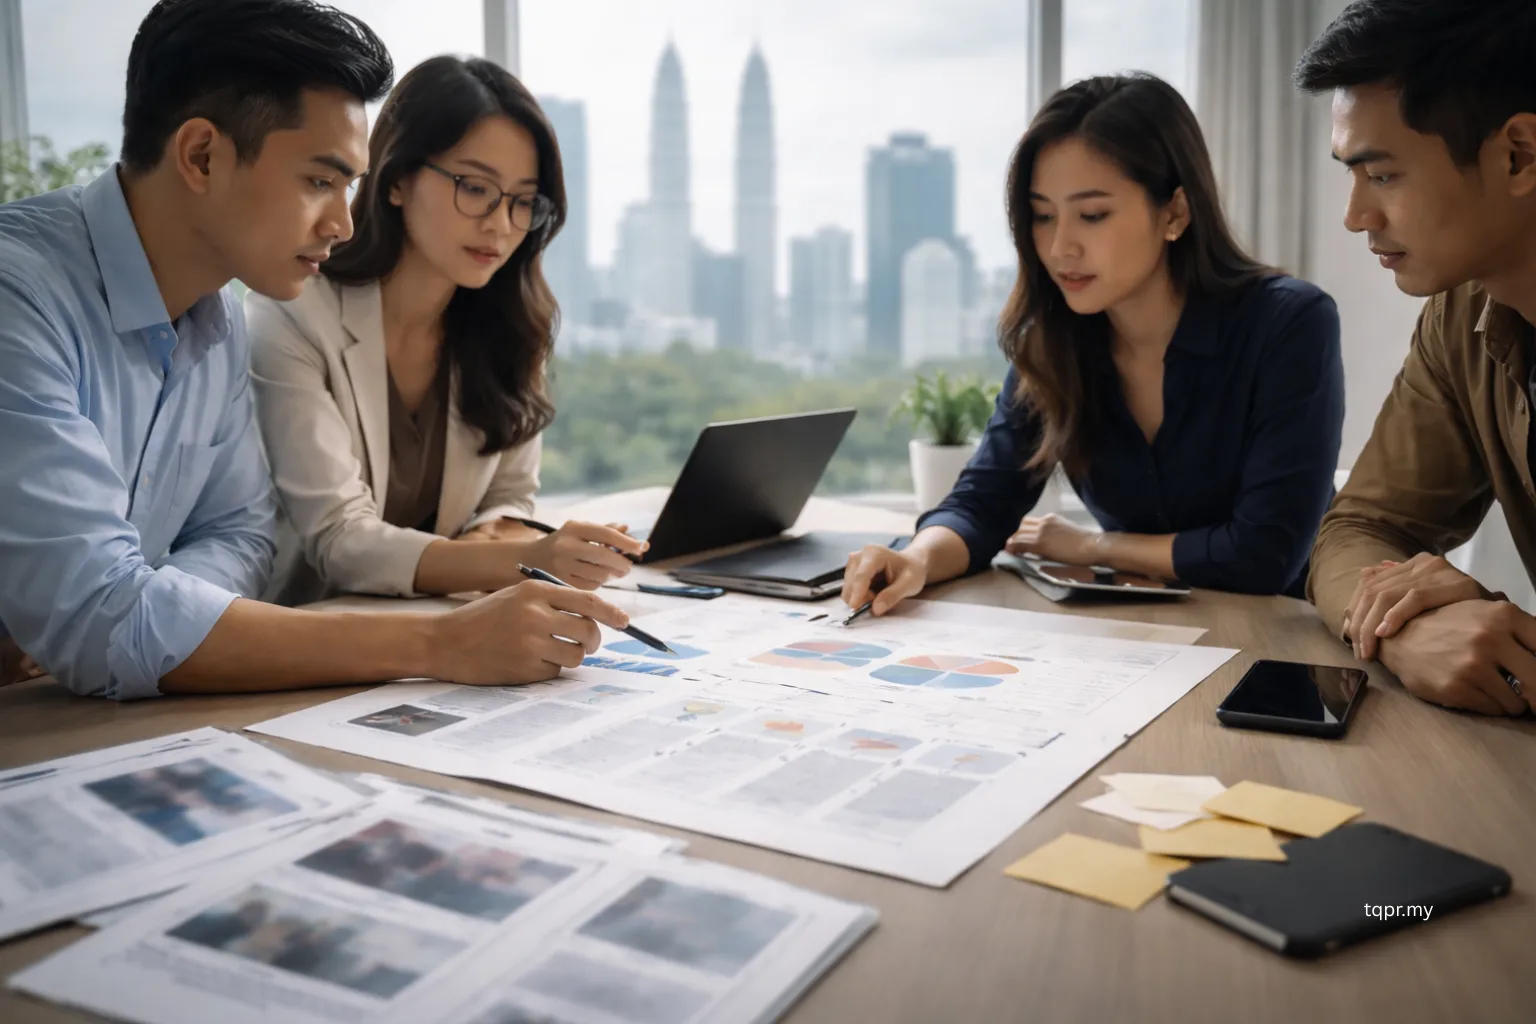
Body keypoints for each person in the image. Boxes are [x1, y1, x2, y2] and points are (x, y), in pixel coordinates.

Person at [0, 0, 629, 700]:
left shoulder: (216, 318)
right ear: (202, 155)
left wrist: (138, 611)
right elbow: (103, 618)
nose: (341, 221)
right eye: (320, 181)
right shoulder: (17, 298)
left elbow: (239, 536)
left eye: (347, 185)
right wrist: (443, 642)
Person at [843, 73, 1344, 616]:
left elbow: (1265, 555)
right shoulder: (1053, 342)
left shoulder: (1288, 323)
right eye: (1042, 215)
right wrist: (916, 558)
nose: (1060, 247)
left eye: (1092, 215)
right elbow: (985, 501)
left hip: (1290, 642)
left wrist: (1093, 546)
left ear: (1174, 212)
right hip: (1143, 637)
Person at [246, 56, 642, 606]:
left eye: (523, 201)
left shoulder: (508, 324)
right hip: (304, 640)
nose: (501, 225)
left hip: (442, 633)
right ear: (397, 180)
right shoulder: (292, 314)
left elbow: (509, 498)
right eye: (475, 188)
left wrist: (494, 536)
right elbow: (339, 539)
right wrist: (524, 559)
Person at [1296, 0, 1536, 716]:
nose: (1355, 216)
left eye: (1384, 176)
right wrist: (1409, 628)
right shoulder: (1462, 315)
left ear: (1518, 155)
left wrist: (1507, 643)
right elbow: (1355, 531)